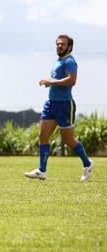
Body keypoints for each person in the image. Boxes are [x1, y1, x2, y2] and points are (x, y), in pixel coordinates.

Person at [24, 34, 93, 181]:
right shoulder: (57, 61)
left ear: (69, 47)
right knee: (42, 136)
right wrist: (52, 82)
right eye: (57, 44)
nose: (59, 46)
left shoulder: (70, 61)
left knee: (68, 140)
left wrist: (52, 82)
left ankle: (87, 164)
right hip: (51, 103)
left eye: (62, 44)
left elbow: (72, 80)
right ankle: (42, 171)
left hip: (64, 105)